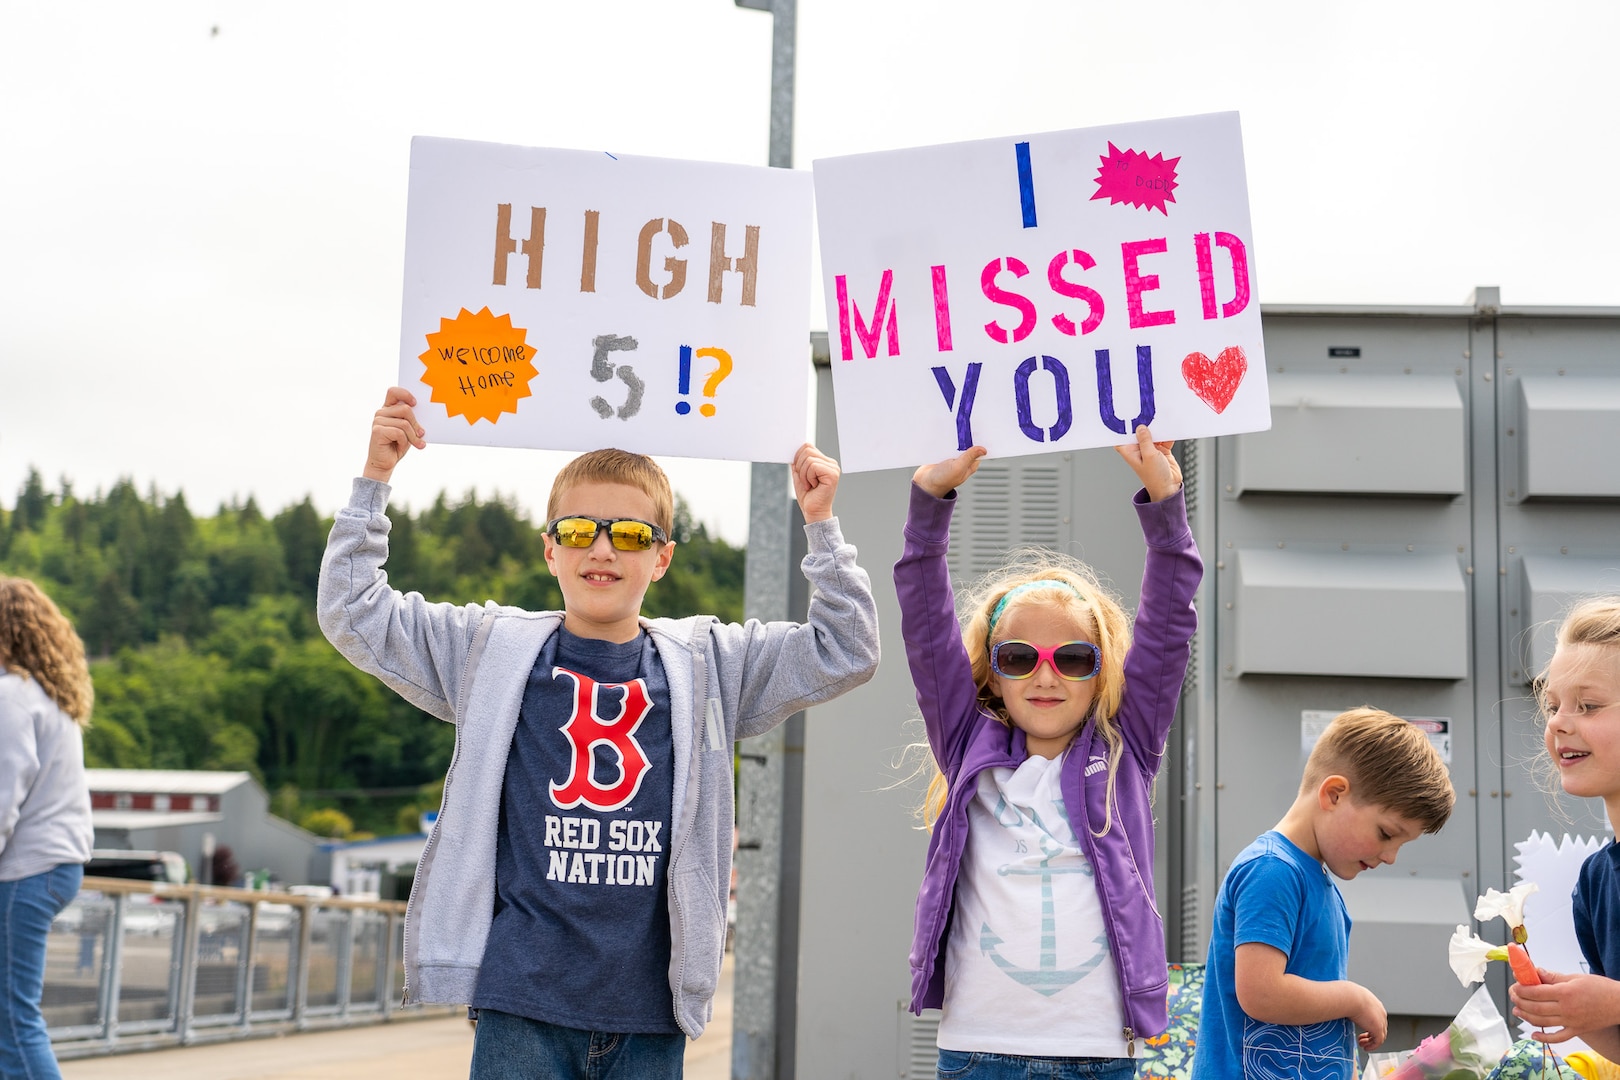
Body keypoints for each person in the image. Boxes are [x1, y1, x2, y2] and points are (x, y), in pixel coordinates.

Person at [317, 386, 879, 1079]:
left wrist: (820, 524)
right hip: (520, 1007)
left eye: (633, 535)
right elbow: (352, 609)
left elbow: (845, 648)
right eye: (580, 531)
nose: (603, 549)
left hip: (650, 1017)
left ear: (662, 557)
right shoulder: (489, 651)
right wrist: (375, 480)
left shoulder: (711, 663)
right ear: (550, 549)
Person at [897, 426, 1201, 1079]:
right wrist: (927, 503)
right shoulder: (965, 742)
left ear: (1101, 672)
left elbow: (1170, 623)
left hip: (1096, 1054)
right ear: (993, 672)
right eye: (1019, 657)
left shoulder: (1127, 749)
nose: (1045, 676)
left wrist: (1166, 508)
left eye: (1072, 658)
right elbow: (926, 629)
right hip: (978, 1051)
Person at [1192, 707, 1455, 1079]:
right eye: (1385, 833)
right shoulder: (1272, 871)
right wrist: (1354, 999)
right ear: (1333, 794)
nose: (1392, 857)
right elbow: (1262, 993)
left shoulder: (1321, 883)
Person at [1509, 598, 1620, 1059]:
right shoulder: (1596, 881)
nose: (1557, 723)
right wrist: (1572, 1010)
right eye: (1553, 705)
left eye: (1587, 705)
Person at [0, 577, 94, 1080]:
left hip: (24, 871)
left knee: (13, 1021)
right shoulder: (48, 696)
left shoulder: (12, 695)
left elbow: (2, 795)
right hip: (53, 866)